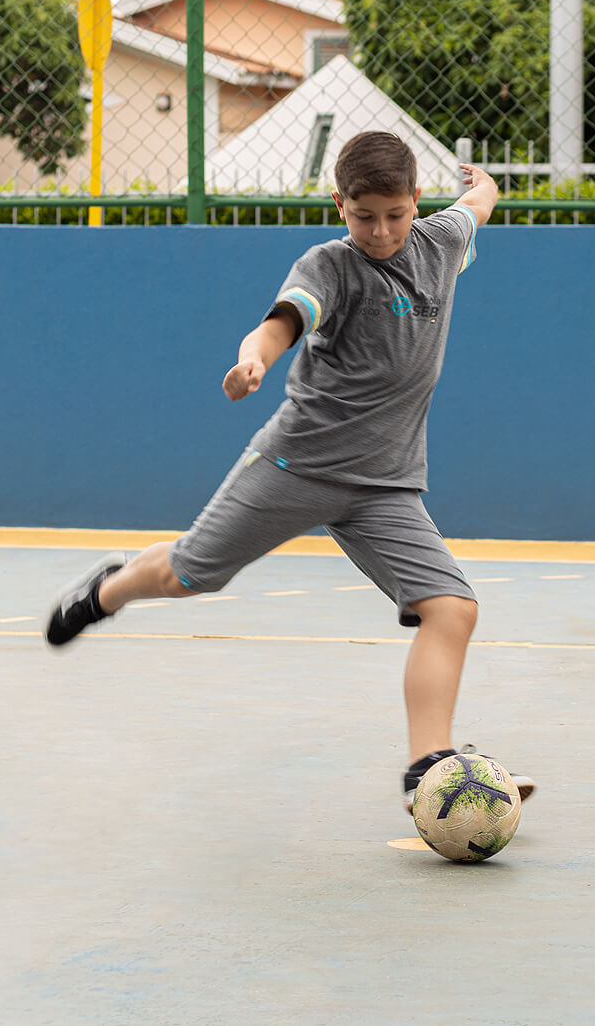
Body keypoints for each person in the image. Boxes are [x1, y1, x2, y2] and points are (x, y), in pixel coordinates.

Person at [42, 131, 531, 813]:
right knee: (189, 573)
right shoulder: (330, 265)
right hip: (297, 463)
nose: (382, 230)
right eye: (364, 216)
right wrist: (255, 361)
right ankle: (107, 591)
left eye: (395, 214)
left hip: (386, 484)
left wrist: (481, 182)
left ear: (417, 202)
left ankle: (429, 767)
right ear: (340, 205)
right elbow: (282, 319)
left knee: (451, 609)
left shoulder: (442, 242)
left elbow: (479, 201)